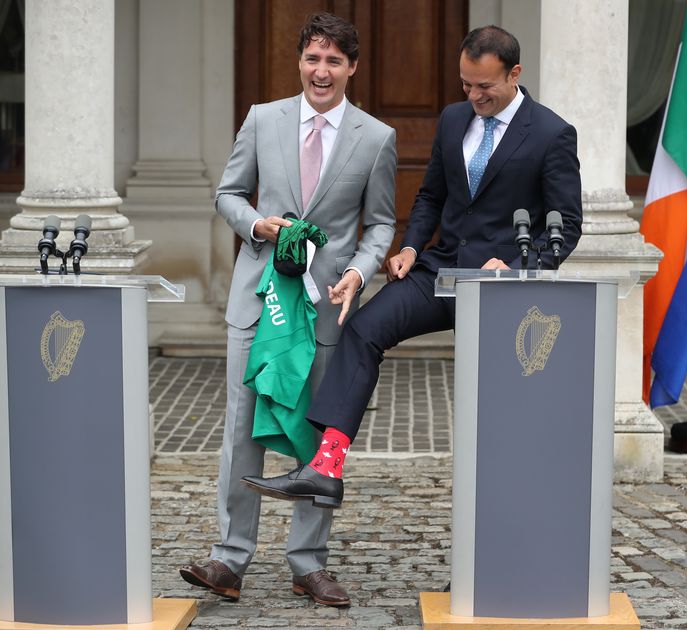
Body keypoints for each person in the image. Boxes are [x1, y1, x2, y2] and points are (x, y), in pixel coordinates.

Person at [242, 25, 582, 508]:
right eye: (466, 84)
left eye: (484, 86)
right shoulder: (451, 119)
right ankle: (326, 467)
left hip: (504, 288)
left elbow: (566, 225)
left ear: (515, 74)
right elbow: (430, 196)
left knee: (501, 397)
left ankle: (520, 500)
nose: (474, 96)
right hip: (438, 273)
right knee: (363, 329)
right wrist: (410, 247)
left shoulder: (551, 133)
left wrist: (515, 265)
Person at [179, 12, 397, 608]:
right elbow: (227, 193)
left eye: (333, 61)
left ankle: (308, 563)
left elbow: (380, 223)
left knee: (315, 435)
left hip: (327, 306)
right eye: (311, 58)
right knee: (242, 428)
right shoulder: (261, 119)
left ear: (351, 67)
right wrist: (257, 224)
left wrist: (358, 270)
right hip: (260, 303)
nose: (320, 71)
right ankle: (229, 559)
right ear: (299, 61)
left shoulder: (376, 138)